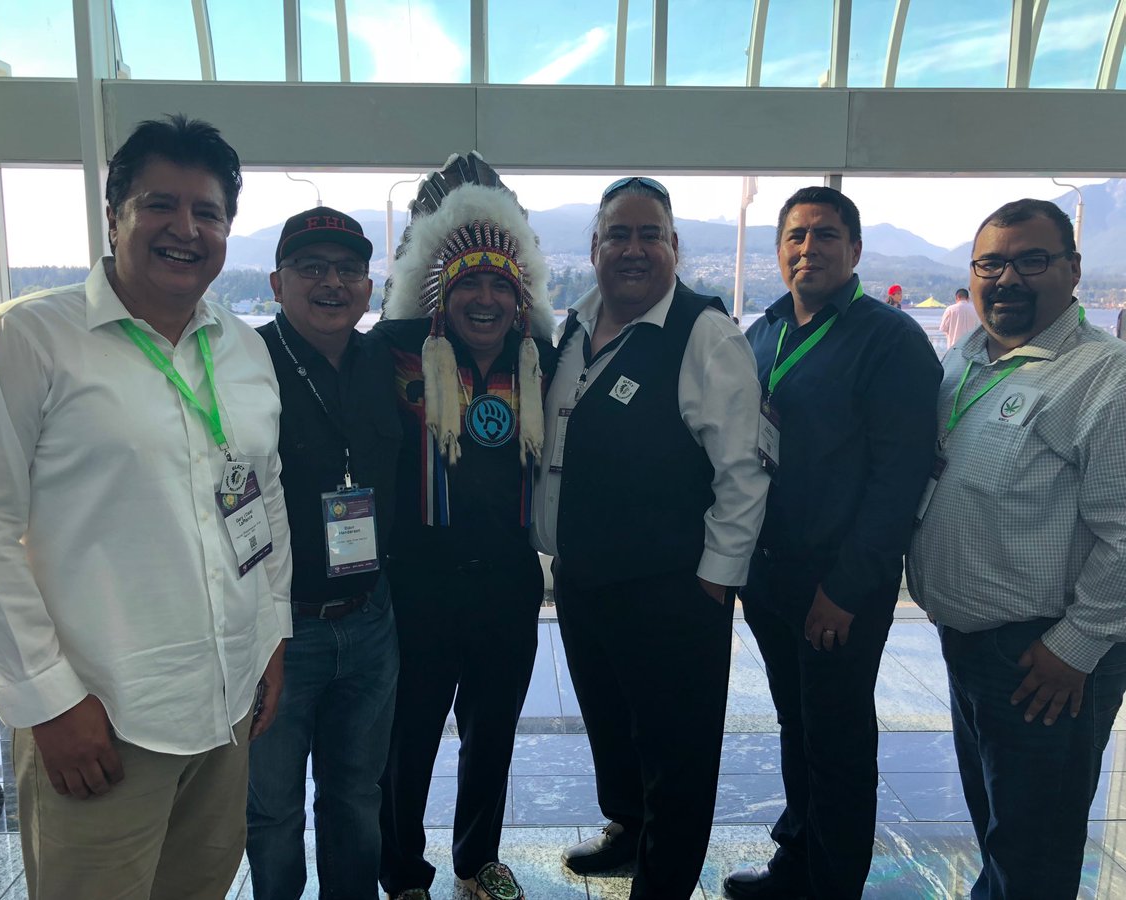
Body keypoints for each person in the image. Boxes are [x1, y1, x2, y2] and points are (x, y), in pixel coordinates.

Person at [0, 115, 291, 900]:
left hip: (226, 705)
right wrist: (47, 702)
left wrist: (272, 634)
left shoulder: (243, 349)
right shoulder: (24, 341)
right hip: (102, 718)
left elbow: (264, 499)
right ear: (113, 216)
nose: (186, 229)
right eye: (160, 205)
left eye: (208, 212)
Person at [534, 176, 769, 898]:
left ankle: (663, 883)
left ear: (674, 246)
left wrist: (715, 579)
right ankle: (629, 831)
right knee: (610, 724)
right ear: (595, 246)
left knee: (677, 749)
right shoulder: (574, 327)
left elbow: (743, 470)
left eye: (649, 235)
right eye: (618, 234)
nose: (633, 249)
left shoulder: (704, 334)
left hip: (673, 589)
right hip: (585, 578)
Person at [725, 186, 940, 900]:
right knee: (797, 725)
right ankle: (797, 862)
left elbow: (899, 478)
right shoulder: (763, 333)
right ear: (778, 250)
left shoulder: (889, 340)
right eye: (795, 236)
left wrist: (846, 589)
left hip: (839, 583)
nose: (807, 249)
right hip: (770, 575)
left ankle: (832, 883)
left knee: (838, 740)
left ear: (854, 250)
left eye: (824, 235)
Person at [908, 198, 1126, 900]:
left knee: (1035, 852)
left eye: (1031, 261)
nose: (1007, 279)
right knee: (1002, 830)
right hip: (973, 646)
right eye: (991, 263)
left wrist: (1076, 646)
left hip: (1045, 659)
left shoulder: (1105, 377)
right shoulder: (967, 359)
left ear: (1072, 270)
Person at [373, 152, 557, 900]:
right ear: (439, 293)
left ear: (519, 296)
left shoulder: (542, 360)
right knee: (409, 735)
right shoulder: (393, 354)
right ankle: (401, 871)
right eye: (468, 284)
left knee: (493, 733)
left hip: (508, 583)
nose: (485, 299)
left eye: (500, 285)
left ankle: (478, 858)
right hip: (419, 585)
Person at [245, 207, 401, 899]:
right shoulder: (245, 366)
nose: (332, 283)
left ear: (368, 287)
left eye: (348, 269)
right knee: (273, 810)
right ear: (278, 283)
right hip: (279, 631)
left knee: (356, 796)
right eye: (312, 268)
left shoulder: (384, 362)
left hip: (370, 620)